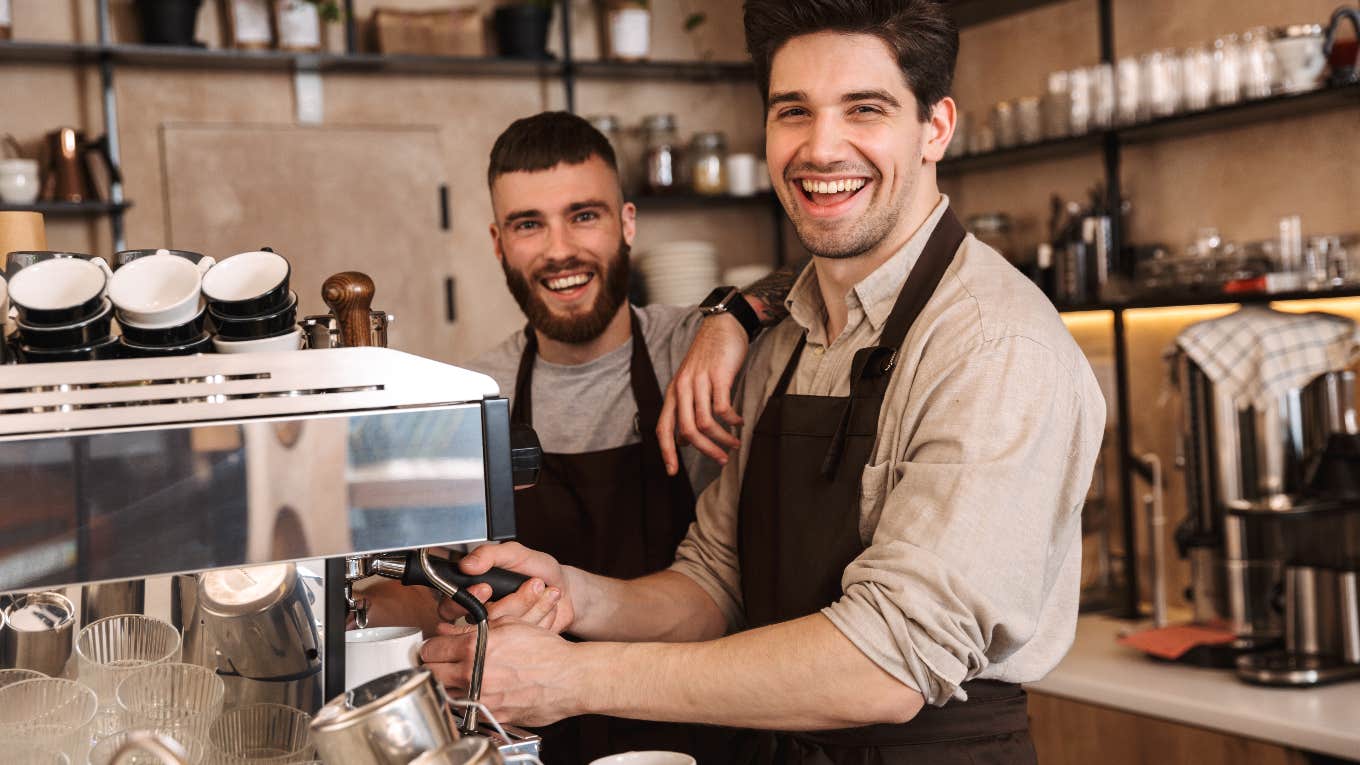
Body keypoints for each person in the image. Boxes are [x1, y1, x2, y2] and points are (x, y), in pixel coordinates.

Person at [422, 2, 1106, 762]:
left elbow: (889, 662)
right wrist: (569, 593)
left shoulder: (993, 346)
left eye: (865, 109)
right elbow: (717, 583)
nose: (820, 147)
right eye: (793, 112)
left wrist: (575, 677)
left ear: (936, 127)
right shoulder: (780, 336)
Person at [359, 111, 791, 765]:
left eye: (583, 215)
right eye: (529, 224)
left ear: (627, 224)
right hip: (538, 740)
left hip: (700, 733)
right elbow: (430, 585)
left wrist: (732, 315)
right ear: (498, 243)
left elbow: (815, 280)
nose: (559, 249)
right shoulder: (471, 396)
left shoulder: (696, 350)